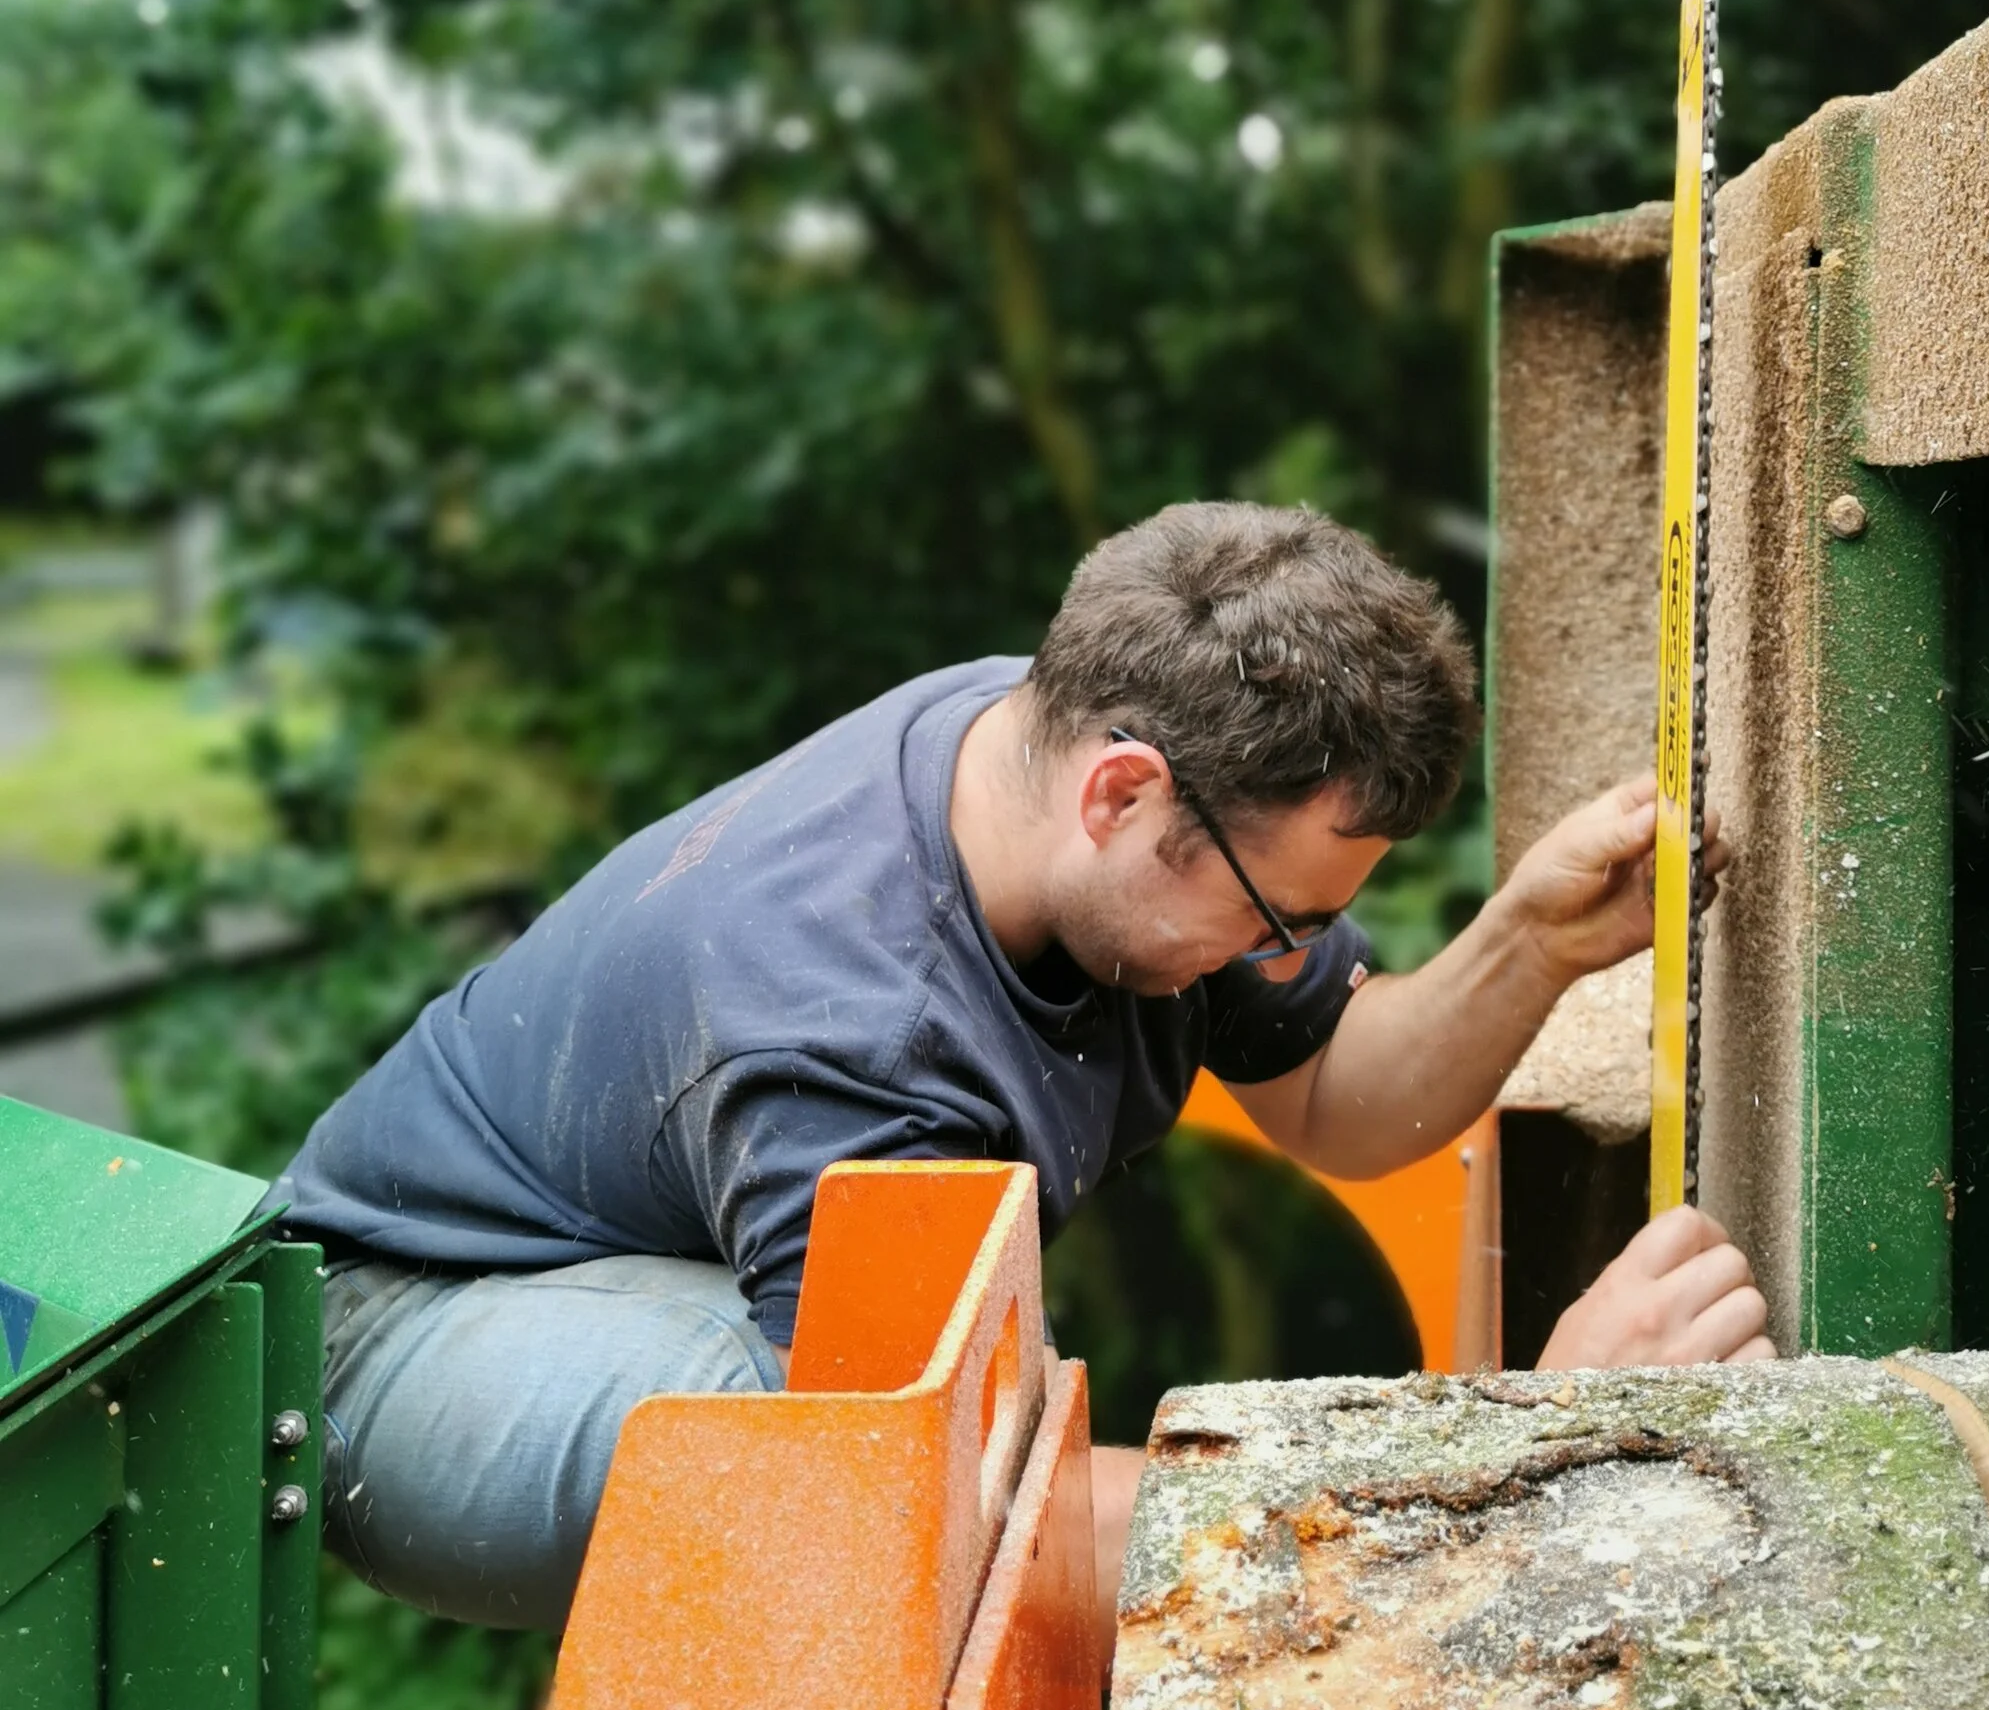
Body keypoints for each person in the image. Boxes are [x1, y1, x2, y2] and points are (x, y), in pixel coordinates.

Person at [287, 501, 1767, 1646]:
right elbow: (971, 1518)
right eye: (1278, 923)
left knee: (958, 1422)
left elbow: (1338, 1100)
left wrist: (1530, 945)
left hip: (663, 1283)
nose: (1288, 957)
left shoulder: (1079, 746)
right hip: (396, 1352)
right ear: (1122, 794)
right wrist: (1515, 1474)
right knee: (842, 1487)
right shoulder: (845, 1039)